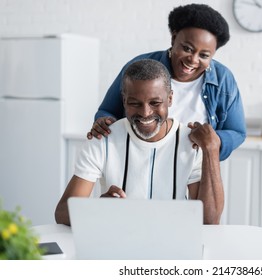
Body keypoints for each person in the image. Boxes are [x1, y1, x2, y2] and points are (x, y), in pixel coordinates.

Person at [55, 59, 224, 226]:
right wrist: (99, 208)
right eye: (134, 103)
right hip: (118, 242)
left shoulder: (190, 143)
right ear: (124, 100)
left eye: (155, 103)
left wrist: (211, 149)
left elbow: (209, 221)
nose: (145, 113)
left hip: (171, 243)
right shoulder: (103, 139)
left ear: (170, 98)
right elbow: (62, 212)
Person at [87, 3, 246, 161]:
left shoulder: (223, 79)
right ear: (174, 38)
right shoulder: (140, 67)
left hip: (195, 169)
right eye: (187, 49)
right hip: (137, 161)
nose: (193, 60)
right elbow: (107, 111)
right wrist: (105, 123)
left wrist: (213, 139)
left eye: (204, 55)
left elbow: (237, 132)